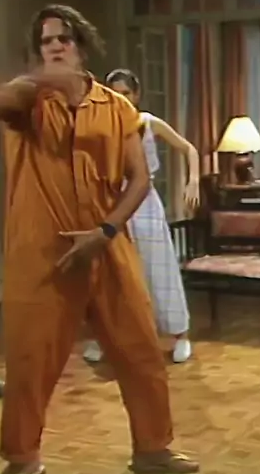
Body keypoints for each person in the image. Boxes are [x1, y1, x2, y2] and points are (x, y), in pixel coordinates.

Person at [0, 4, 199, 474]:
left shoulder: (117, 107)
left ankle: (153, 449)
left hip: (107, 244)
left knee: (141, 350)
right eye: (46, 40)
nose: (55, 46)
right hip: (41, 253)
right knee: (30, 358)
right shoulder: (27, 99)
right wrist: (40, 81)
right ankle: (22, 459)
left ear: (81, 45)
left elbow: (138, 179)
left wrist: (106, 230)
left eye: (64, 38)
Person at [83, 68, 199, 366]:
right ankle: (105, 336)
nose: (120, 99)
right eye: (113, 93)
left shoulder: (148, 122)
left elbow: (188, 148)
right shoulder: (102, 126)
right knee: (112, 270)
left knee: (159, 267)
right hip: (113, 203)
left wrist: (193, 180)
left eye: (125, 93)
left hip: (145, 203)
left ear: (135, 95)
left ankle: (180, 334)